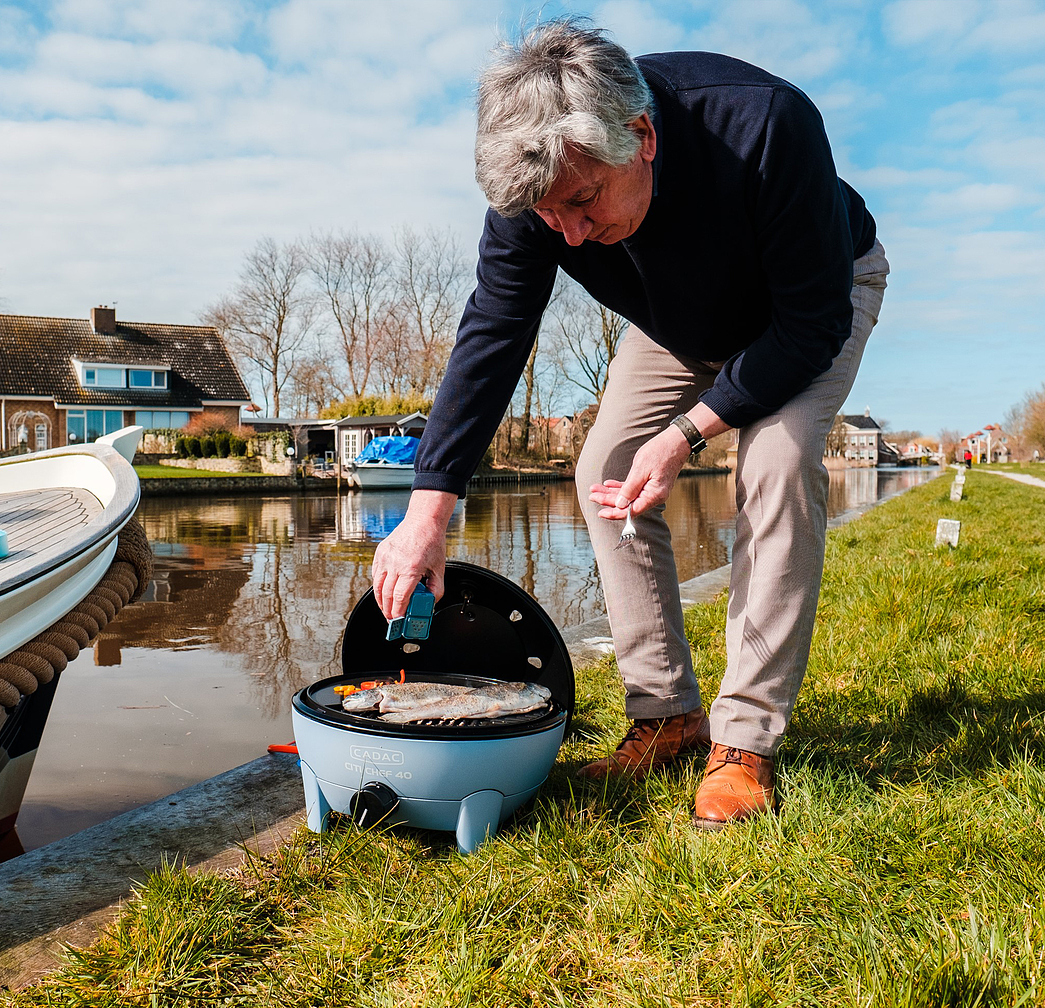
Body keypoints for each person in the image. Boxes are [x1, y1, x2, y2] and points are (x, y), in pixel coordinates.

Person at [372, 20, 887, 830]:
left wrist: (688, 433)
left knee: (776, 465)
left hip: (809, 300)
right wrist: (425, 514)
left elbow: (810, 325)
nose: (571, 236)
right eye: (550, 220)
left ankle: (744, 740)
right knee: (603, 464)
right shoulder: (537, 183)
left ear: (640, 136)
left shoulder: (765, 124)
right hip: (680, 318)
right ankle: (666, 713)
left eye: (583, 203)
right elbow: (495, 331)